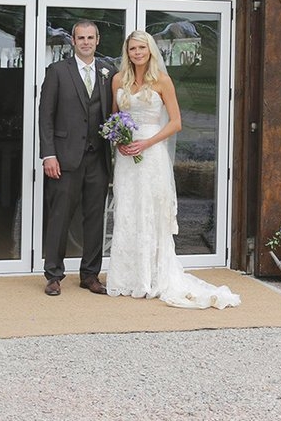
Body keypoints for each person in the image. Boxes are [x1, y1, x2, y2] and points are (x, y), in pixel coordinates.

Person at [105, 30, 240, 309]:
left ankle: (152, 277)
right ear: (127, 53)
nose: (137, 53)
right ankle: (128, 278)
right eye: (132, 49)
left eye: (142, 48)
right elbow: (115, 118)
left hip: (151, 153)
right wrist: (118, 140)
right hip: (127, 158)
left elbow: (176, 122)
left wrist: (147, 143)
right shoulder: (119, 80)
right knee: (128, 210)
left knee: (151, 211)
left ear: (151, 50)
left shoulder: (162, 81)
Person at [38, 20, 114, 296]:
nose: (85, 42)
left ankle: (90, 275)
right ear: (72, 40)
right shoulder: (58, 71)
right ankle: (54, 275)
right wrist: (49, 154)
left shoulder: (109, 71)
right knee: (60, 216)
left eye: (90, 37)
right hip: (65, 157)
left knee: (95, 218)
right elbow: (45, 115)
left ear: (98, 40)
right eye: (80, 37)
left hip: (98, 157)